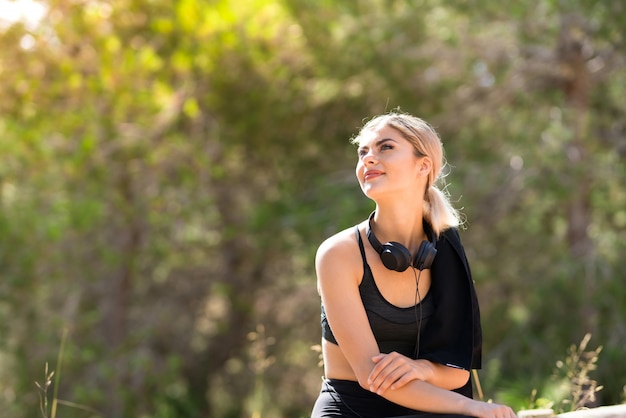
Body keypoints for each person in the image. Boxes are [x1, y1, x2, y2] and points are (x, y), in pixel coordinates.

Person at [311, 112, 516, 418]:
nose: (368, 159)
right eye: (363, 152)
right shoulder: (338, 254)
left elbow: (457, 369)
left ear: (423, 165)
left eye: (385, 147)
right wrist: (470, 407)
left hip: (430, 404)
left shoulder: (445, 248)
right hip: (353, 409)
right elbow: (372, 376)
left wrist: (422, 368)